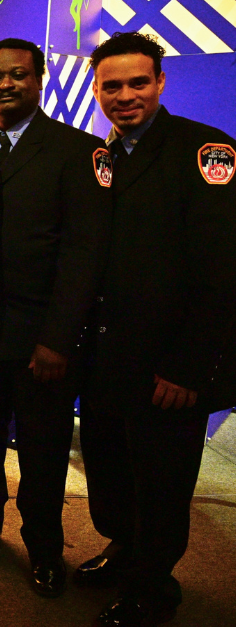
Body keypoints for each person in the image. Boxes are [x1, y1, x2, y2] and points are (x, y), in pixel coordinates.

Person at [79, 31, 236, 627]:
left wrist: (189, 368)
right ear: (97, 90)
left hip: (167, 367)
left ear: (161, 82)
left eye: (138, 83)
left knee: (161, 482)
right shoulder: (103, 155)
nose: (125, 96)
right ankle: (124, 550)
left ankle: (154, 588)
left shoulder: (205, 151)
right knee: (111, 468)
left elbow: (221, 273)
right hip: (105, 358)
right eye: (111, 86)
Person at [0, 38, 112, 597]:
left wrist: (58, 340)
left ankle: (45, 548)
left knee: (44, 455)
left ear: (39, 79)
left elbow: (84, 256)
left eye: (18, 75)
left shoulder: (78, 151)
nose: (6, 85)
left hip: (41, 344)